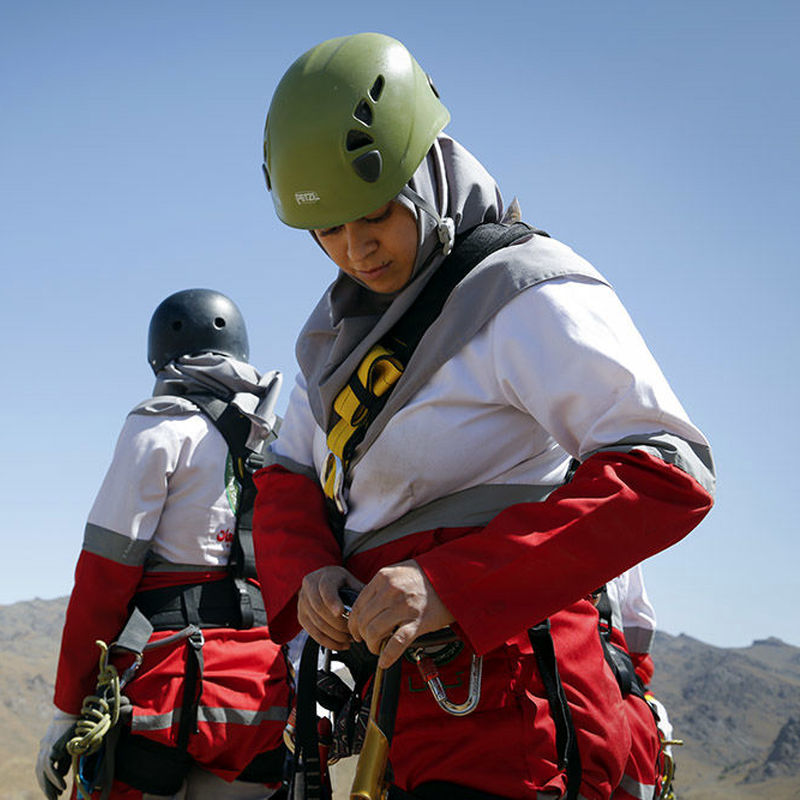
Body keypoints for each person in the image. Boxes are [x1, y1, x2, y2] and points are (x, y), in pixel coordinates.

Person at [251, 33, 714, 800]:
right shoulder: (336, 341)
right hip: (399, 715)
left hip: (514, 714)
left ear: (425, 169)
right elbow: (288, 472)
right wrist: (308, 575)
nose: (355, 251)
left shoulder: (525, 292)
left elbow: (667, 470)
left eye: (374, 216)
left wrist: (450, 585)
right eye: (326, 230)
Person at [37, 289, 290, 800]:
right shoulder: (280, 441)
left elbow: (103, 578)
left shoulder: (159, 425)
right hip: (260, 696)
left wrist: (68, 707)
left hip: (164, 692)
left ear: (160, 355)